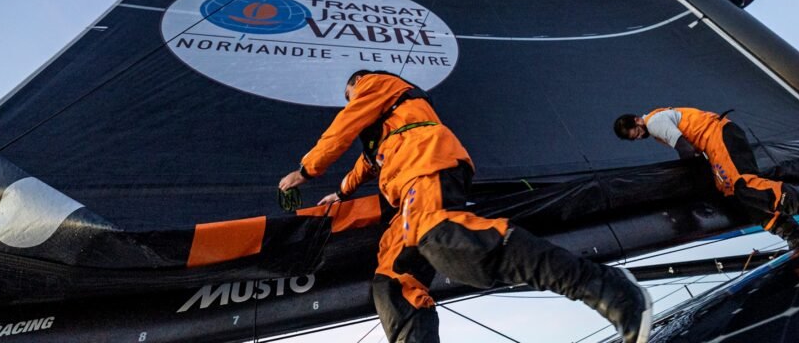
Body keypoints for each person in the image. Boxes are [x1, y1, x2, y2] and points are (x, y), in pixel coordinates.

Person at [280, 70, 653, 343]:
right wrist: (341, 194)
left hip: (425, 163)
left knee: (443, 238)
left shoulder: (374, 83)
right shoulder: (386, 127)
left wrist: (306, 170)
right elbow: (367, 163)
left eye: (351, 94)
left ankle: (610, 289)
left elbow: (345, 125)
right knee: (392, 283)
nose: (352, 100)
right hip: (406, 195)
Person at [613, 107, 799, 246]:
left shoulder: (654, 122)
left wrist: (693, 182)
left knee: (743, 184)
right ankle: (794, 234)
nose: (638, 137)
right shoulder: (656, 125)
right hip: (715, 144)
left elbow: (686, 149)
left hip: (719, 136)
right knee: (734, 195)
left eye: (635, 132)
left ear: (637, 120)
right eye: (633, 138)